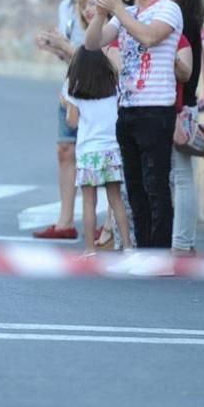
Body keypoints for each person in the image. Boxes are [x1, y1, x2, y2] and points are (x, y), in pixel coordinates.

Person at [85, 0, 182, 249]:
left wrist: (119, 9)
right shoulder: (127, 13)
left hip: (156, 109)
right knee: (135, 187)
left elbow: (150, 37)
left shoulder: (168, 9)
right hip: (127, 108)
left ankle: (160, 253)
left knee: (156, 185)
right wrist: (102, 12)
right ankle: (143, 249)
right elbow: (92, 44)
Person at [33, 0, 92, 239]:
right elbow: (70, 55)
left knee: (94, 155)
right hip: (70, 86)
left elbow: (94, 54)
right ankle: (65, 222)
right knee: (64, 151)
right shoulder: (64, 7)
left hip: (93, 89)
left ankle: (107, 224)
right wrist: (54, 47)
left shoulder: (93, 6)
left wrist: (65, 46)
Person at [62, 48, 133, 255]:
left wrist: (68, 105)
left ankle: (90, 249)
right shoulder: (113, 88)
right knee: (116, 199)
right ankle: (127, 245)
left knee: (89, 201)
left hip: (88, 152)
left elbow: (72, 123)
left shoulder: (75, 90)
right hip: (112, 149)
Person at [162, 0, 204, 256]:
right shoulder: (169, 20)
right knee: (175, 175)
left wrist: (183, 108)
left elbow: (189, 71)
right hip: (172, 105)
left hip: (180, 106)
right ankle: (182, 242)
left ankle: (182, 243)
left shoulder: (186, 23)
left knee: (181, 174)